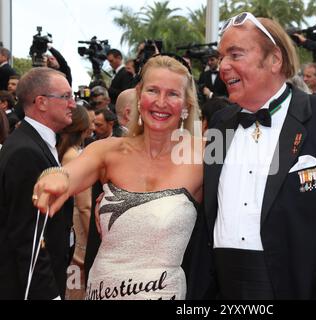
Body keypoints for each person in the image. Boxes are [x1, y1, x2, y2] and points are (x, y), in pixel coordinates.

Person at [203, 12, 316, 299]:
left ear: (275, 59)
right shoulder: (219, 122)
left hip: (302, 286)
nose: (223, 66)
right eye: (221, 56)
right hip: (224, 287)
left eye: (235, 54)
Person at [32, 55, 205, 300]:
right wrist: (54, 178)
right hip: (103, 289)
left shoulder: (205, 155)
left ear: (186, 104)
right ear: (139, 94)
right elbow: (69, 174)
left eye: (173, 94)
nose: (161, 102)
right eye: (153, 90)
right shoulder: (107, 150)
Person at [0, 67, 75, 299]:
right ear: (41, 102)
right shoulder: (26, 151)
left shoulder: (34, 142)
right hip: (28, 286)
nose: (73, 104)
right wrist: (48, 295)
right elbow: (28, 235)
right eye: (66, 97)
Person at [56, 105, 92, 300]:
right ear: (84, 128)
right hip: (78, 229)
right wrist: (93, 237)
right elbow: (84, 205)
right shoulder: (74, 156)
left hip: (67, 227)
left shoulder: (60, 151)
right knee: (77, 285)